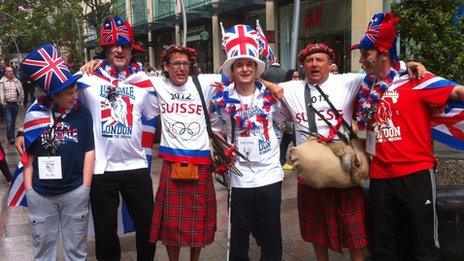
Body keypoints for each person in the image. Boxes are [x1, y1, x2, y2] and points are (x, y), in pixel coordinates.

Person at [270, 42, 426, 260]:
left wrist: (408, 65)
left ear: (330, 63)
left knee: (355, 230)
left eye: (320, 60)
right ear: (303, 66)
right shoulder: (290, 88)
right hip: (311, 170)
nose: (314, 64)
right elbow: (256, 83)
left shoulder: (348, 81)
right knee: (316, 230)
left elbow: (381, 72)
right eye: (309, 60)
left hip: (345, 165)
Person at [351, 12, 464, 260]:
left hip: (415, 174)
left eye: (365, 54)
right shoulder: (364, 86)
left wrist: (410, 65)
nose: (361, 60)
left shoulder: (416, 80)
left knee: (423, 244)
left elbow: (457, 92)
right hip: (380, 175)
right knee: (383, 245)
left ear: (383, 54)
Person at [210, 24, 284, 261]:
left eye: (249, 64)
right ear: (232, 69)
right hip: (240, 176)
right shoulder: (221, 98)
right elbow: (215, 129)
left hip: (270, 172)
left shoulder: (270, 95)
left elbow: (283, 120)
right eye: (239, 65)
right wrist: (223, 150)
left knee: (271, 231)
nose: (244, 69)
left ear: (256, 69)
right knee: (239, 233)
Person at [20, 44, 95, 260]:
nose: (75, 96)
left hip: (74, 191)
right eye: (69, 94)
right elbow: (29, 155)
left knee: (76, 251)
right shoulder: (35, 116)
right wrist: (29, 190)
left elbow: (89, 150)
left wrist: (85, 187)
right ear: (54, 96)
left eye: (75, 91)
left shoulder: (83, 114)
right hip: (41, 194)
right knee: (43, 251)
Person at [148, 45, 221, 261]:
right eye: (176, 64)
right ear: (166, 67)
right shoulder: (157, 83)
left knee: (199, 220)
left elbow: (236, 75)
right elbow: (125, 79)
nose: (181, 68)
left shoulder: (203, 82)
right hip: (172, 164)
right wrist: (95, 64)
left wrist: (268, 84)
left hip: (201, 162)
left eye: (185, 64)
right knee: (171, 224)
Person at [279, 69, 299, 170]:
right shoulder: (285, 89)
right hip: (289, 120)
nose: (296, 79)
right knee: (294, 141)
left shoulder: (298, 88)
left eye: (297, 77)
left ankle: (283, 160)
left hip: (296, 120)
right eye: (294, 77)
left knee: (287, 140)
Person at [0, 66, 24, 144]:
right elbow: (1, 93)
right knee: (9, 121)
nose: (11, 73)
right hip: (7, 104)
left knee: (13, 121)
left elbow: (21, 91)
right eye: (9, 71)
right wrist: (3, 102)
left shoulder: (17, 81)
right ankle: (11, 137)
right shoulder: (2, 81)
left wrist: (21, 102)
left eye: (12, 71)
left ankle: (10, 135)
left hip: (15, 104)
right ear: (5, 73)